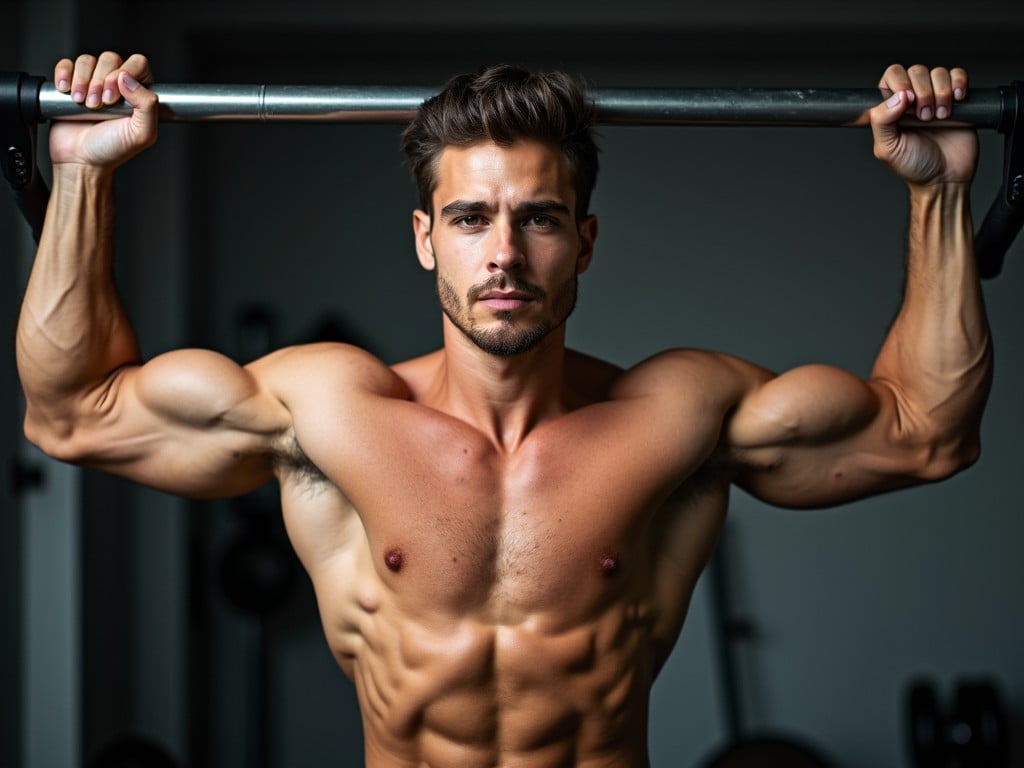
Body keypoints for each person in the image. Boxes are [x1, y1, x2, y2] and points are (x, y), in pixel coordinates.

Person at [17, 52, 991, 767]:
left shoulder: (677, 417)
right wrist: (80, 176)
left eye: (539, 218)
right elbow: (72, 412)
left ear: (586, 239)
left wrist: (938, 193)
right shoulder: (326, 408)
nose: (504, 256)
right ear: (423, 239)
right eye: (470, 218)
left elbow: (928, 432)